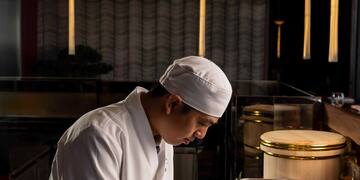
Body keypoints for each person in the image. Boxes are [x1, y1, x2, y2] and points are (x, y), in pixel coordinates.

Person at [49, 56, 233, 180]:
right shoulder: (97, 135)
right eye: (202, 122)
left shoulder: (163, 137)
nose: (201, 134)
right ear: (172, 104)